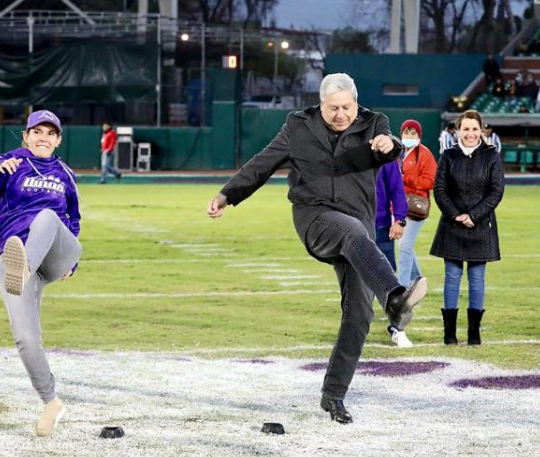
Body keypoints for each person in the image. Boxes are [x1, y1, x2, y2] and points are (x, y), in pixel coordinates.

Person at [206, 73, 427, 424]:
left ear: (356, 103)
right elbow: (262, 163)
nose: (340, 114)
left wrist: (391, 146)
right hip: (315, 218)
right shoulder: (298, 126)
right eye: (332, 108)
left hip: (359, 231)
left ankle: (334, 396)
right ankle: (396, 298)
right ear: (320, 104)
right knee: (352, 231)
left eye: (346, 107)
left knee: (359, 314)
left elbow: (391, 144)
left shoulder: (375, 123)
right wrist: (227, 194)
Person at [0, 110, 82, 437]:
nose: (43, 138)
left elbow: (73, 218)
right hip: (15, 258)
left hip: (54, 253)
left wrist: (71, 262)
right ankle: (51, 402)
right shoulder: (11, 163)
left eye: (50, 133)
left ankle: (25, 268)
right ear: (26, 136)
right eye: (37, 132)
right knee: (25, 338)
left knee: (48, 217)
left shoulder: (64, 173)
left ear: (58, 139)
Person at [430, 110, 504, 346]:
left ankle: (474, 334)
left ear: (481, 130)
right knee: (452, 277)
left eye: (474, 129)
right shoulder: (448, 155)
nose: (470, 134)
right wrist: (456, 215)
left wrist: (474, 215)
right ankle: (449, 334)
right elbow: (439, 190)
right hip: (452, 226)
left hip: (480, 226)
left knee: (477, 277)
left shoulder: (492, 156)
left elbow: (496, 191)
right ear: (458, 130)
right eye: (466, 129)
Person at [374, 139, 411, 348]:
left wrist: (399, 219)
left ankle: (397, 328)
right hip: (353, 227)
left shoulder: (387, 157)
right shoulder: (349, 154)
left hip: (379, 227)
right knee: (353, 282)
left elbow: (397, 190)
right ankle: (353, 330)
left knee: (388, 281)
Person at [397, 119, 437, 290]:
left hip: (416, 206)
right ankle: (418, 278)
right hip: (399, 205)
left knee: (405, 245)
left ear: (419, 135)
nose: (409, 136)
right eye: (406, 132)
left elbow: (430, 181)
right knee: (403, 244)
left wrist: (406, 179)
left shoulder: (425, 154)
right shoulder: (398, 153)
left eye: (413, 133)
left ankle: (403, 287)